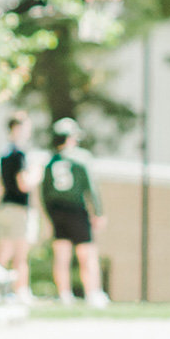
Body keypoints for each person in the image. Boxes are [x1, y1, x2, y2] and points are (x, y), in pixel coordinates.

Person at [40, 118, 109, 307]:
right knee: (87, 254)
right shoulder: (81, 158)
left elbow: (44, 193)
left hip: (57, 212)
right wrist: (98, 212)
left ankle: (64, 295)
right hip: (77, 210)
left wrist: (49, 217)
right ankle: (92, 293)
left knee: (62, 257)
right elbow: (91, 188)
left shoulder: (51, 161)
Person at [0, 115, 37, 300]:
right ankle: (21, 290)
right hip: (19, 208)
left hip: (5, 206)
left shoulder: (4, 152)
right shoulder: (20, 154)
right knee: (20, 253)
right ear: (18, 128)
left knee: (3, 250)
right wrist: (36, 175)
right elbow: (23, 183)